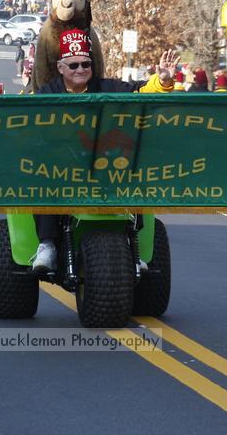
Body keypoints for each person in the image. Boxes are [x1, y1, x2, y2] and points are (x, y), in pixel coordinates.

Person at [31, 29, 179, 272]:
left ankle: (133, 248)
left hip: (103, 162)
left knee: (134, 170)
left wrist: (162, 80)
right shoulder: (47, 93)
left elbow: (139, 92)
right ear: (60, 68)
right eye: (74, 65)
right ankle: (47, 245)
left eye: (86, 64)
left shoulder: (106, 86)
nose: (81, 70)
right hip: (63, 165)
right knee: (40, 174)